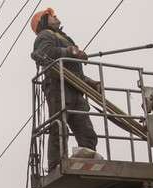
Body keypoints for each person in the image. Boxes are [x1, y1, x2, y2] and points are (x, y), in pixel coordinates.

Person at [30, 7, 102, 170]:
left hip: (75, 89)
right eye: (52, 16)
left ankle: (89, 158)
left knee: (86, 129)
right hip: (57, 87)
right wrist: (70, 51)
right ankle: (56, 162)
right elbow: (44, 53)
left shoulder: (65, 39)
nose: (56, 18)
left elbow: (73, 72)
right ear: (43, 21)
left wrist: (92, 84)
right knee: (59, 126)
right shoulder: (45, 36)